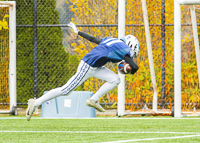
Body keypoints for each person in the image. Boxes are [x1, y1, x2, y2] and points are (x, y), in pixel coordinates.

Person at [26, 23, 140, 121]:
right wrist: (129, 70)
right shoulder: (125, 49)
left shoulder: (112, 40)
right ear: (131, 46)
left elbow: (93, 39)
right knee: (65, 90)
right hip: (87, 66)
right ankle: (35, 103)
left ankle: (94, 100)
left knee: (115, 79)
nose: (132, 55)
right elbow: (134, 66)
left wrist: (78, 32)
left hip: (95, 67)